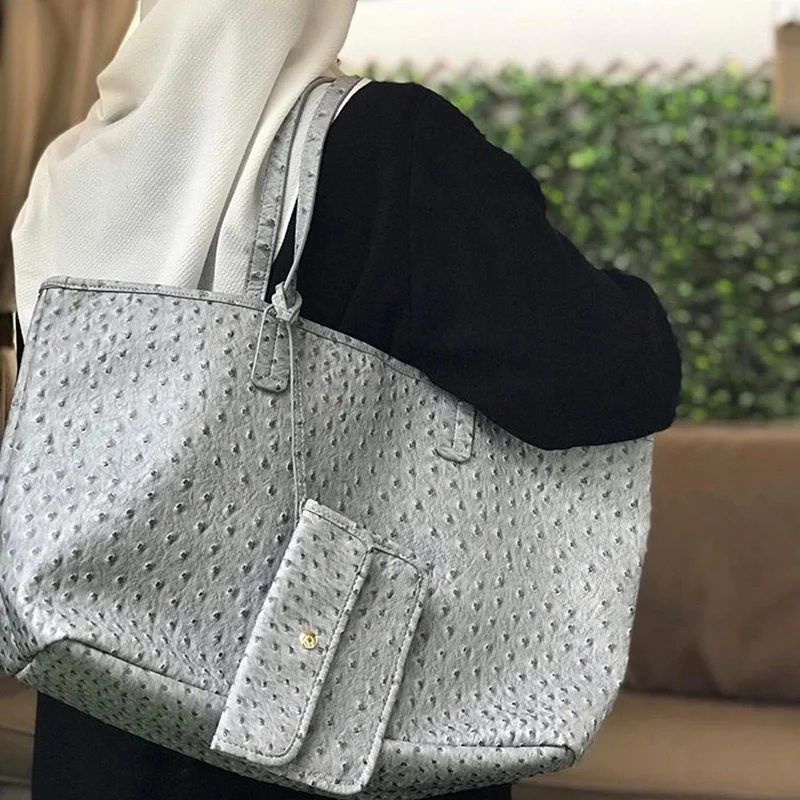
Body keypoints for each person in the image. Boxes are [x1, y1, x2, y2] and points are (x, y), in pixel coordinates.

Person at [11, 2, 682, 799]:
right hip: (333, 737)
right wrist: (634, 304)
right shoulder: (386, 144)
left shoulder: (73, 170)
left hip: (102, 724)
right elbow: (606, 379)